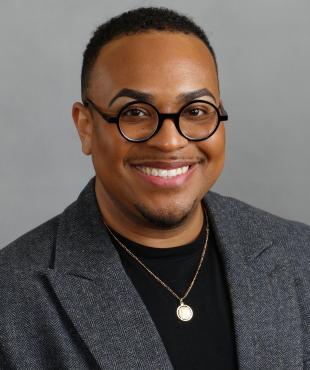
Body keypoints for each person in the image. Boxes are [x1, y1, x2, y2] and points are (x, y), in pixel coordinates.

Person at [0, 6, 309, 370]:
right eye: (135, 112)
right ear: (85, 127)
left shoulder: (300, 258)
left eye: (195, 111)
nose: (169, 142)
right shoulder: (12, 297)